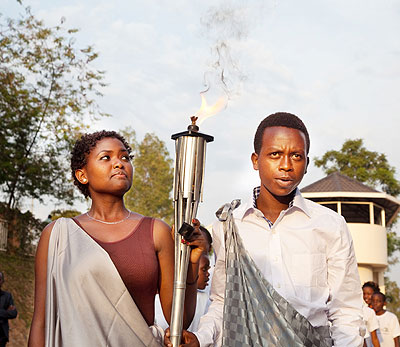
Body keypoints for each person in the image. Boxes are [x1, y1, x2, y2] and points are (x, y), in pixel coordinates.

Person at [165, 112, 363, 346]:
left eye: (296, 156)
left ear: (307, 163)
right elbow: (222, 304)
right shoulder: (229, 226)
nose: (286, 166)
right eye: (275, 154)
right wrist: (201, 338)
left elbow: (346, 311)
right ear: (256, 160)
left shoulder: (330, 225)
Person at [28, 130, 206, 347]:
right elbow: (41, 322)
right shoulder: (57, 235)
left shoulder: (155, 231)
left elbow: (180, 320)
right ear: (82, 175)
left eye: (125, 157)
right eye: (106, 157)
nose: (119, 163)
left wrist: (191, 264)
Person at [0, 271, 17, 347]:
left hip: (1, 336)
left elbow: (13, 313)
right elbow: (9, 313)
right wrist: (5, 312)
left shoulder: (7, 296)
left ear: (2, 281)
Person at [362, 282, 381, 347]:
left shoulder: (375, 312)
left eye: (369, 294)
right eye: (364, 294)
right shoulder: (364, 310)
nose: (366, 296)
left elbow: (374, 338)